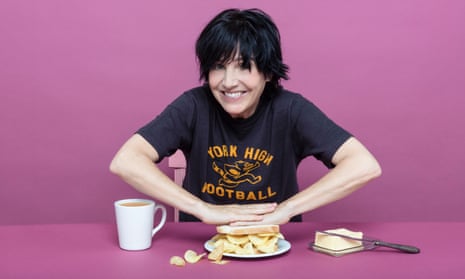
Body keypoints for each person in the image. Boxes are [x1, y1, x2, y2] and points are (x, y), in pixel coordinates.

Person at [109, 8, 381, 225]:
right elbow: (126, 161)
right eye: (218, 67)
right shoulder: (193, 105)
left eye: (243, 67)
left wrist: (287, 209)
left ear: (268, 72)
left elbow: (364, 165)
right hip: (203, 246)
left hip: (275, 244)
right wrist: (202, 209)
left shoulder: (290, 110)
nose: (229, 82)